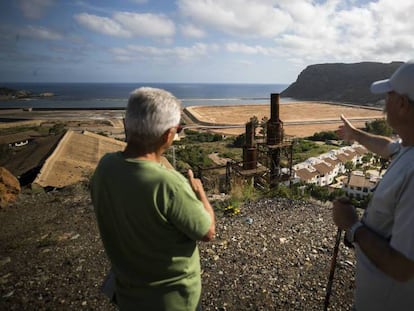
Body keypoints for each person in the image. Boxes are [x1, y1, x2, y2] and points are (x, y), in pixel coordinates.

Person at [91, 87, 215, 311]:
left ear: (126, 123)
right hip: (172, 300)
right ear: (168, 135)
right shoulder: (168, 184)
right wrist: (199, 193)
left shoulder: (105, 167)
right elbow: (207, 231)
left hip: (128, 295)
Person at [333, 60, 414, 310]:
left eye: (388, 95)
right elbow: (386, 147)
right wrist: (355, 134)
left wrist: (352, 225)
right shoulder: (407, 150)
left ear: (402, 103)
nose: (384, 103)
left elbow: (404, 269)